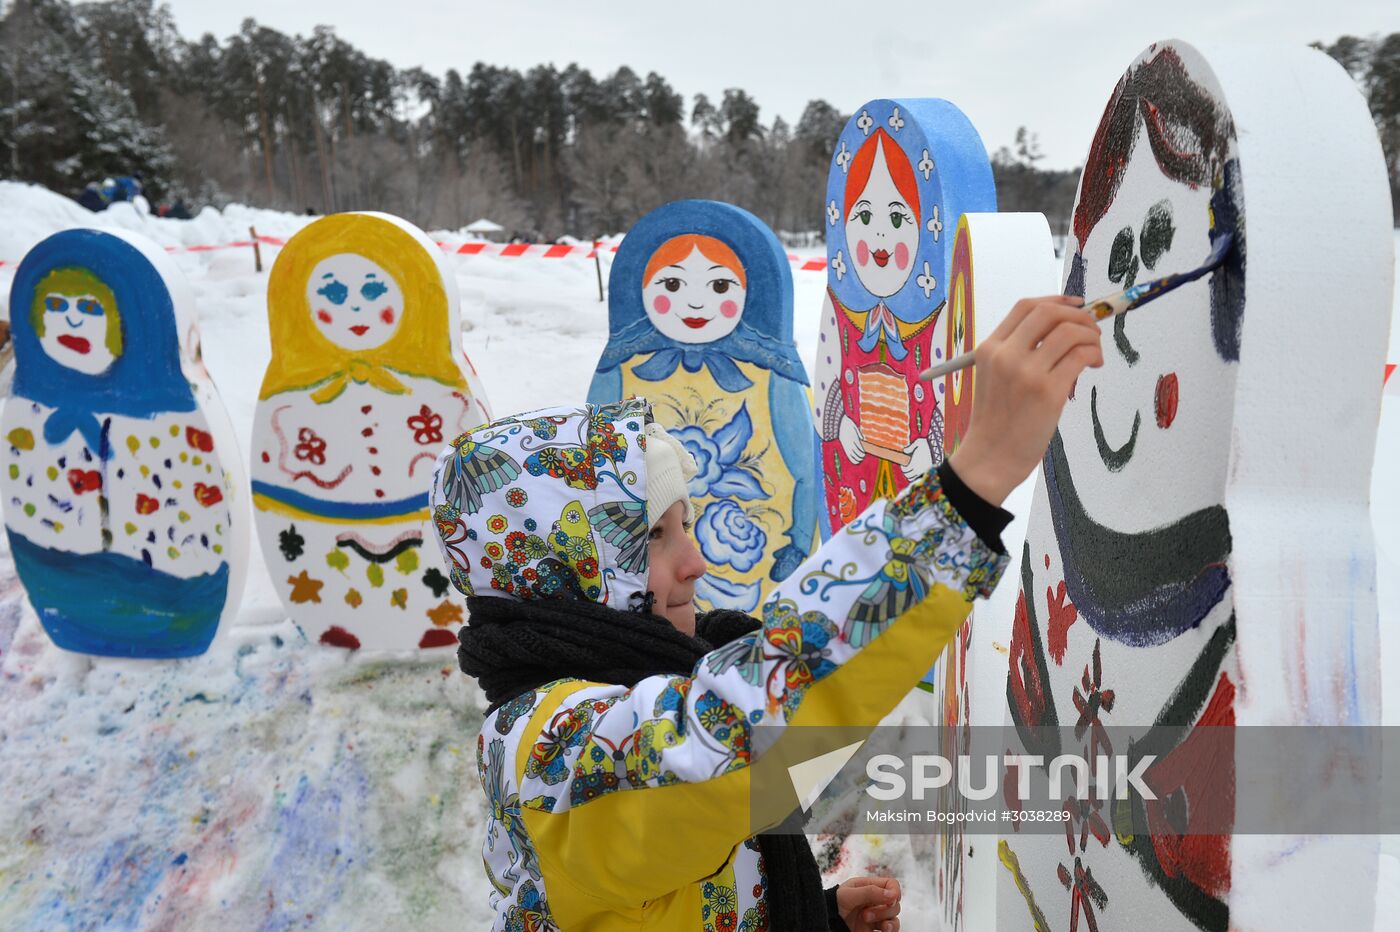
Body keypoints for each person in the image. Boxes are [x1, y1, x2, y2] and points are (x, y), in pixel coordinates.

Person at [429, 295, 1103, 930]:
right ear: (564, 569)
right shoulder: (551, 750)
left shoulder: (625, 690)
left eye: (685, 525)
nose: (694, 563)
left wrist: (804, 915)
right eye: (655, 538)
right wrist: (973, 482)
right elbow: (737, 746)